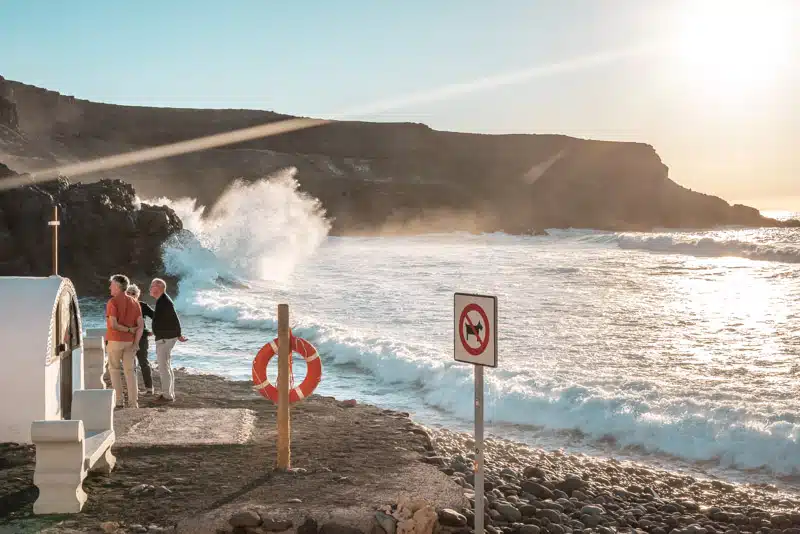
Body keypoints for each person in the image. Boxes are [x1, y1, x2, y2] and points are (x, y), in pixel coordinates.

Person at [106, 274, 144, 409]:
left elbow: (114, 325)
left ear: (117, 286)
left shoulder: (113, 302)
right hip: (130, 343)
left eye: (111, 284)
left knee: (114, 370)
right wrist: (136, 343)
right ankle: (133, 403)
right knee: (130, 372)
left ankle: (119, 401)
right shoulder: (135, 302)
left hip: (115, 340)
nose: (110, 287)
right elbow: (141, 326)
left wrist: (128, 330)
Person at [149, 278, 187, 403]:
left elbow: (175, 318)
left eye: (152, 286)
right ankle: (169, 394)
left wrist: (179, 334)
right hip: (165, 337)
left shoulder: (165, 301)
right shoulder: (162, 300)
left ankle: (167, 396)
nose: (150, 288)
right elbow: (165, 319)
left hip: (165, 339)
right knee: (166, 366)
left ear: (159, 288)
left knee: (163, 367)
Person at [125, 283, 155, 396]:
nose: (131, 295)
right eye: (128, 293)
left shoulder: (142, 305)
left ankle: (149, 388)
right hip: (127, 338)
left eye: (133, 293)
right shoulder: (122, 306)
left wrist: (153, 330)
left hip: (142, 337)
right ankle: (133, 389)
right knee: (130, 364)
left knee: (143, 362)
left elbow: (156, 317)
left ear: (137, 295)